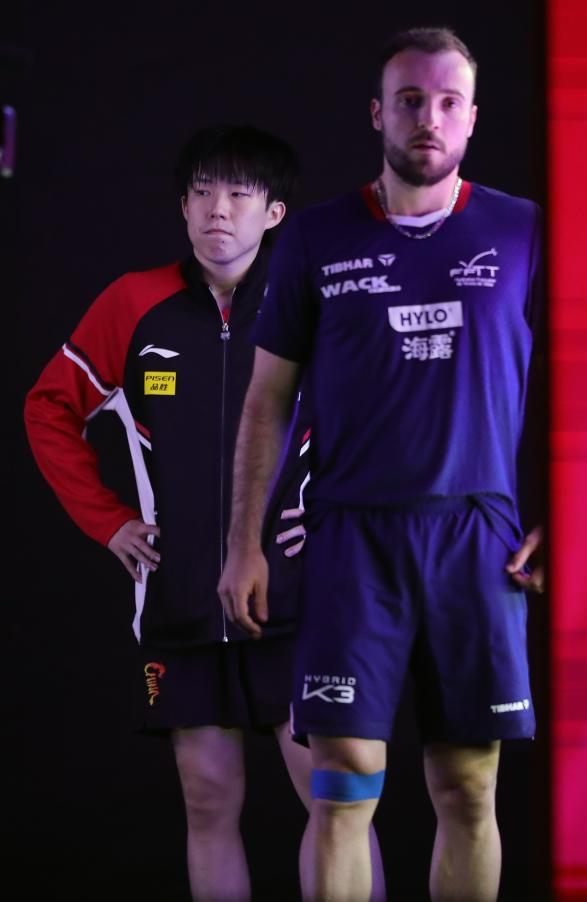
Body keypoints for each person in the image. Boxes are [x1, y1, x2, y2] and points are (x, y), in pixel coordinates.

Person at [218, 26, 544, 901]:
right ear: (378, 114)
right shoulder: (316, 238)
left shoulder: (524, 232)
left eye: (446, 102)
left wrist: (572, 513)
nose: (427, 118)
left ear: (472, 118)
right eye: (409, 100)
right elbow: (266, 400)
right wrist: (243, 544)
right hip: (351, 539)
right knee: (342, 787)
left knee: (467, 788)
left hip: (477, 538)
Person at [23, 125, 354, 900]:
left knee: (335, 803)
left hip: (301, 601)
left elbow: (385, 419)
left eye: (239, 193)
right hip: (180, 602)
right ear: (182, 205)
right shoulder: (133, 303)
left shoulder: (316, 300)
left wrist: (337, 513)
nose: (218, 210)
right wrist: (108, 521)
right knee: (207, 802)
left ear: (275, 212)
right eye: (202, 192)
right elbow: (48, 408)